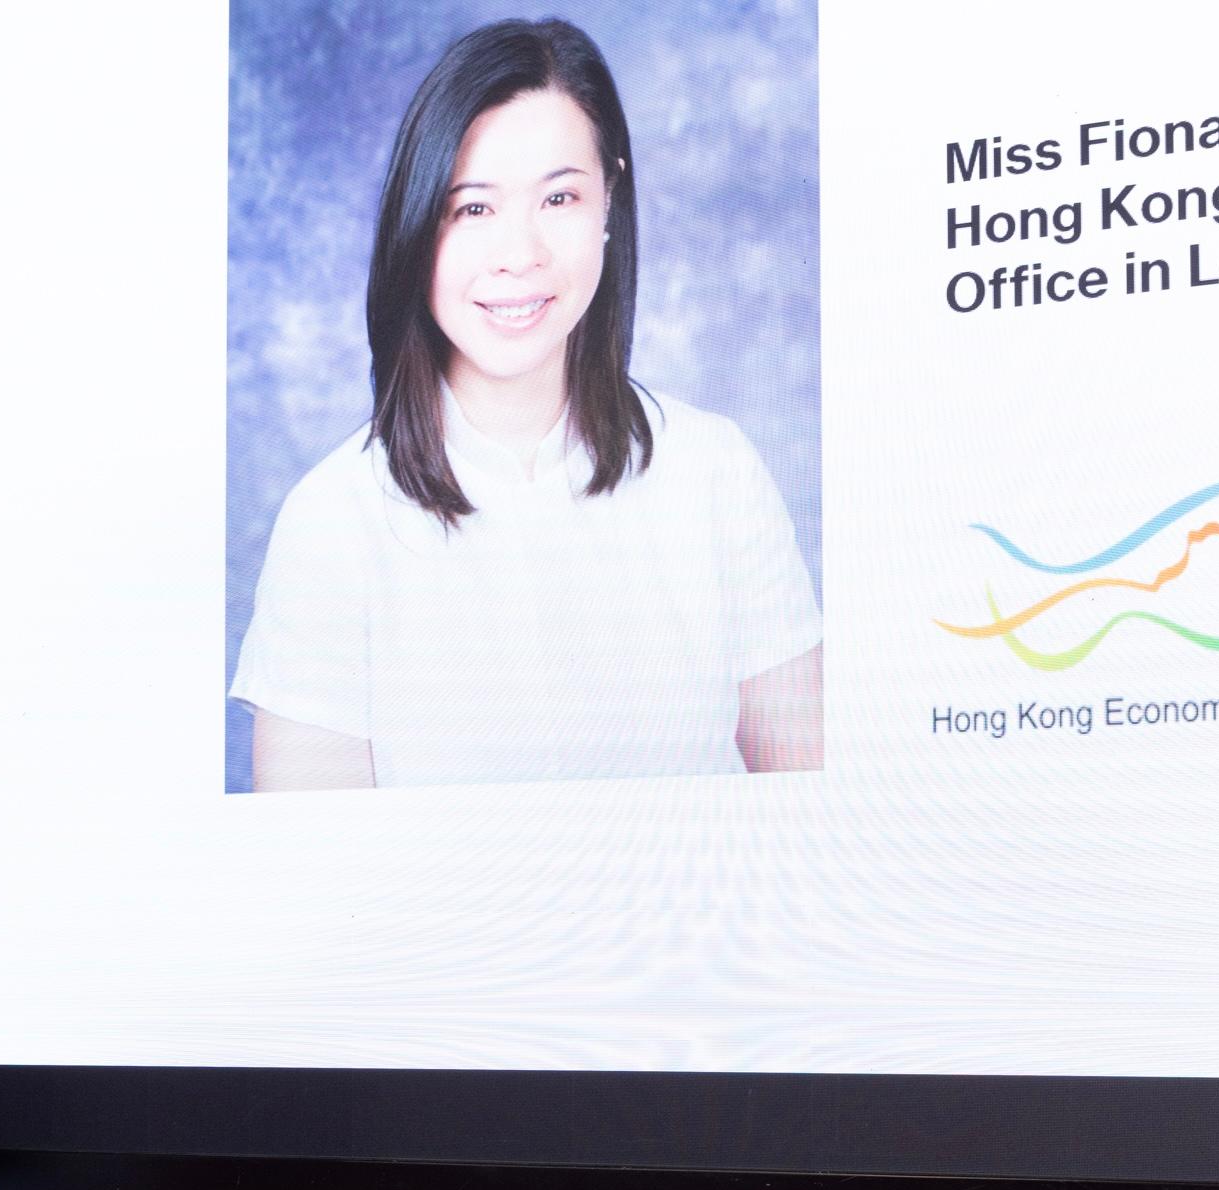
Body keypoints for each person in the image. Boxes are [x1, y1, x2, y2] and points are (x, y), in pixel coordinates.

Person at [230, 17, 823, 789]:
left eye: (559, 198)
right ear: (418, 225)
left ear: (610, 198)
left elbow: (817, 817)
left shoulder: (716, 473)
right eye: (473, 208)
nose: (520, 254)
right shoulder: (333, 521)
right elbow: (313, 885)